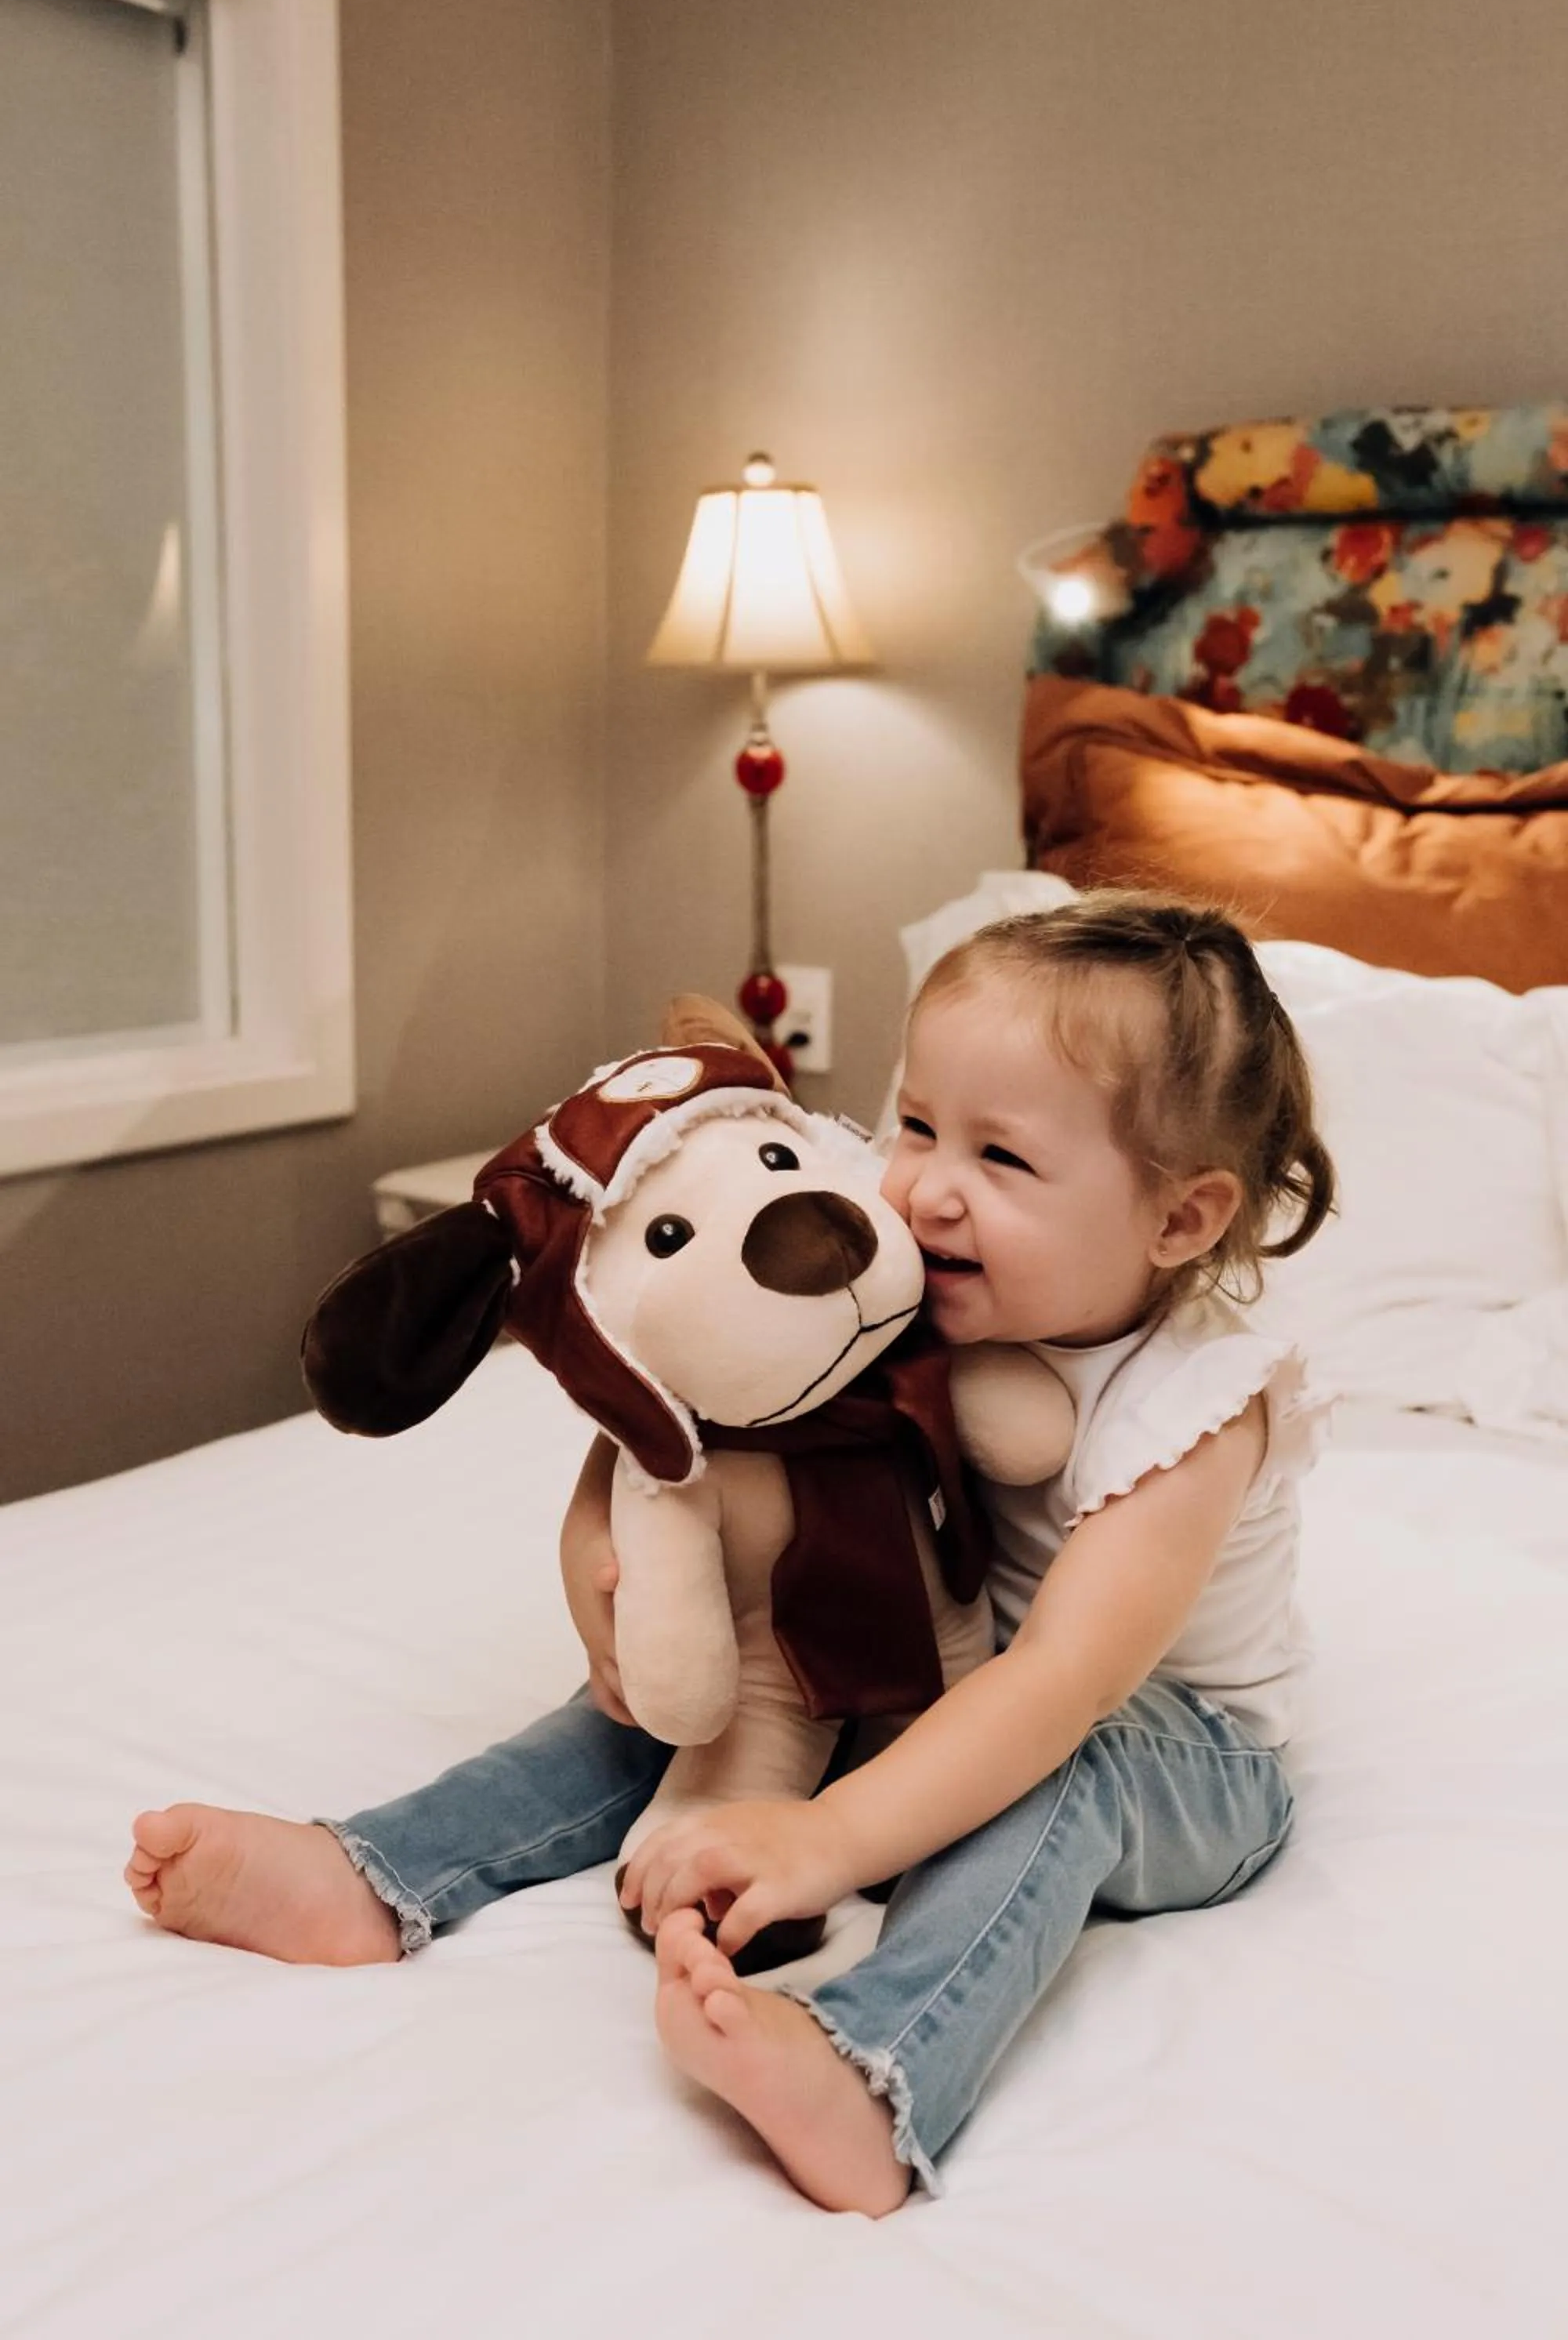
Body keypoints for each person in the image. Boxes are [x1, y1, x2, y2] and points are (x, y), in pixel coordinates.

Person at [124, 891, 1334, 2218]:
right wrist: (611, 1569)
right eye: (917, 1123)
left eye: (1003, 1159)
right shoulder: (895, 1277)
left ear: (1179, 1221)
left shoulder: (1202, 1403)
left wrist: (826, 1838)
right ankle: (378, 1871)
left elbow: (1060, 1684)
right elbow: (699, 1428)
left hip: (1179, 1752)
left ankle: (879, 2069)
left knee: (1064, 1771)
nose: (925, 1184)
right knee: (700, 1681)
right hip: (928, 1673)